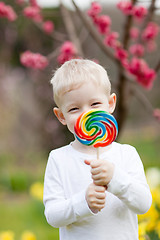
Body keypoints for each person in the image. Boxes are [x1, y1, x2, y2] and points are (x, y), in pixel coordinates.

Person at [43, 59, 152, 240]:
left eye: (94, 104)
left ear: (110, 103)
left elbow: (143, 204)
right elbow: (53, 216)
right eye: (74, 108)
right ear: (61, 115)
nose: (87, 114)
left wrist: (115, 178)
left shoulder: (126, 154)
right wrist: (83, 202)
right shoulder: (58, 159)